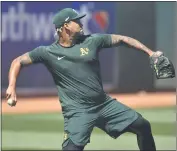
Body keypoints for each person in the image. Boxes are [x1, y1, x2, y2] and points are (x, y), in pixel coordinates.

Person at [6, 8, 159, 151]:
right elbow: (17, 61)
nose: (81, 23)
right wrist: (11, 86)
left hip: (104, 104)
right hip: (78, 111)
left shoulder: (92, 41)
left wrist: (150, 52)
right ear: (66, 26)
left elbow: (123, 39)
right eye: (77, 21)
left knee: (143, 126)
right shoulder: (47, 52)